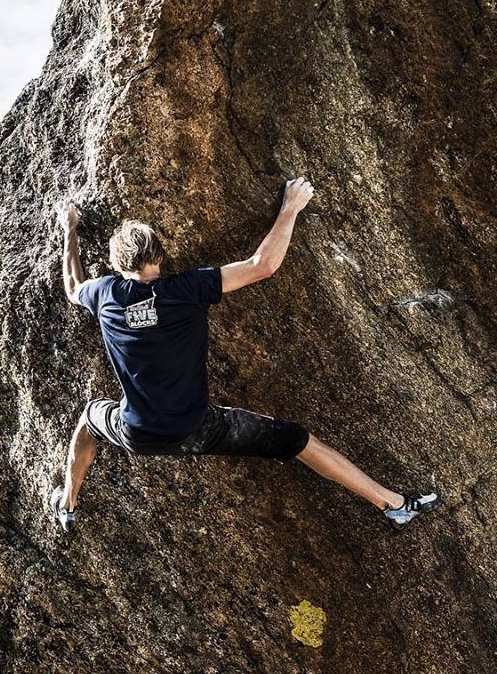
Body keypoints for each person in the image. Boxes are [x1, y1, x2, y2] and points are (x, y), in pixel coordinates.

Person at [52, 177, 440, 533]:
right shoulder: (188, 288)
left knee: (89, 420)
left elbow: (73, 285)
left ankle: (68, 502)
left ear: (119, 266)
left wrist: (70, 229)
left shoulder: (105, 294)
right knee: (300, 441)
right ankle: (392, 504)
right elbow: (263, 265)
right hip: (198, 429)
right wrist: (290, 207)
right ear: (160, 254)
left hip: (136, 431)